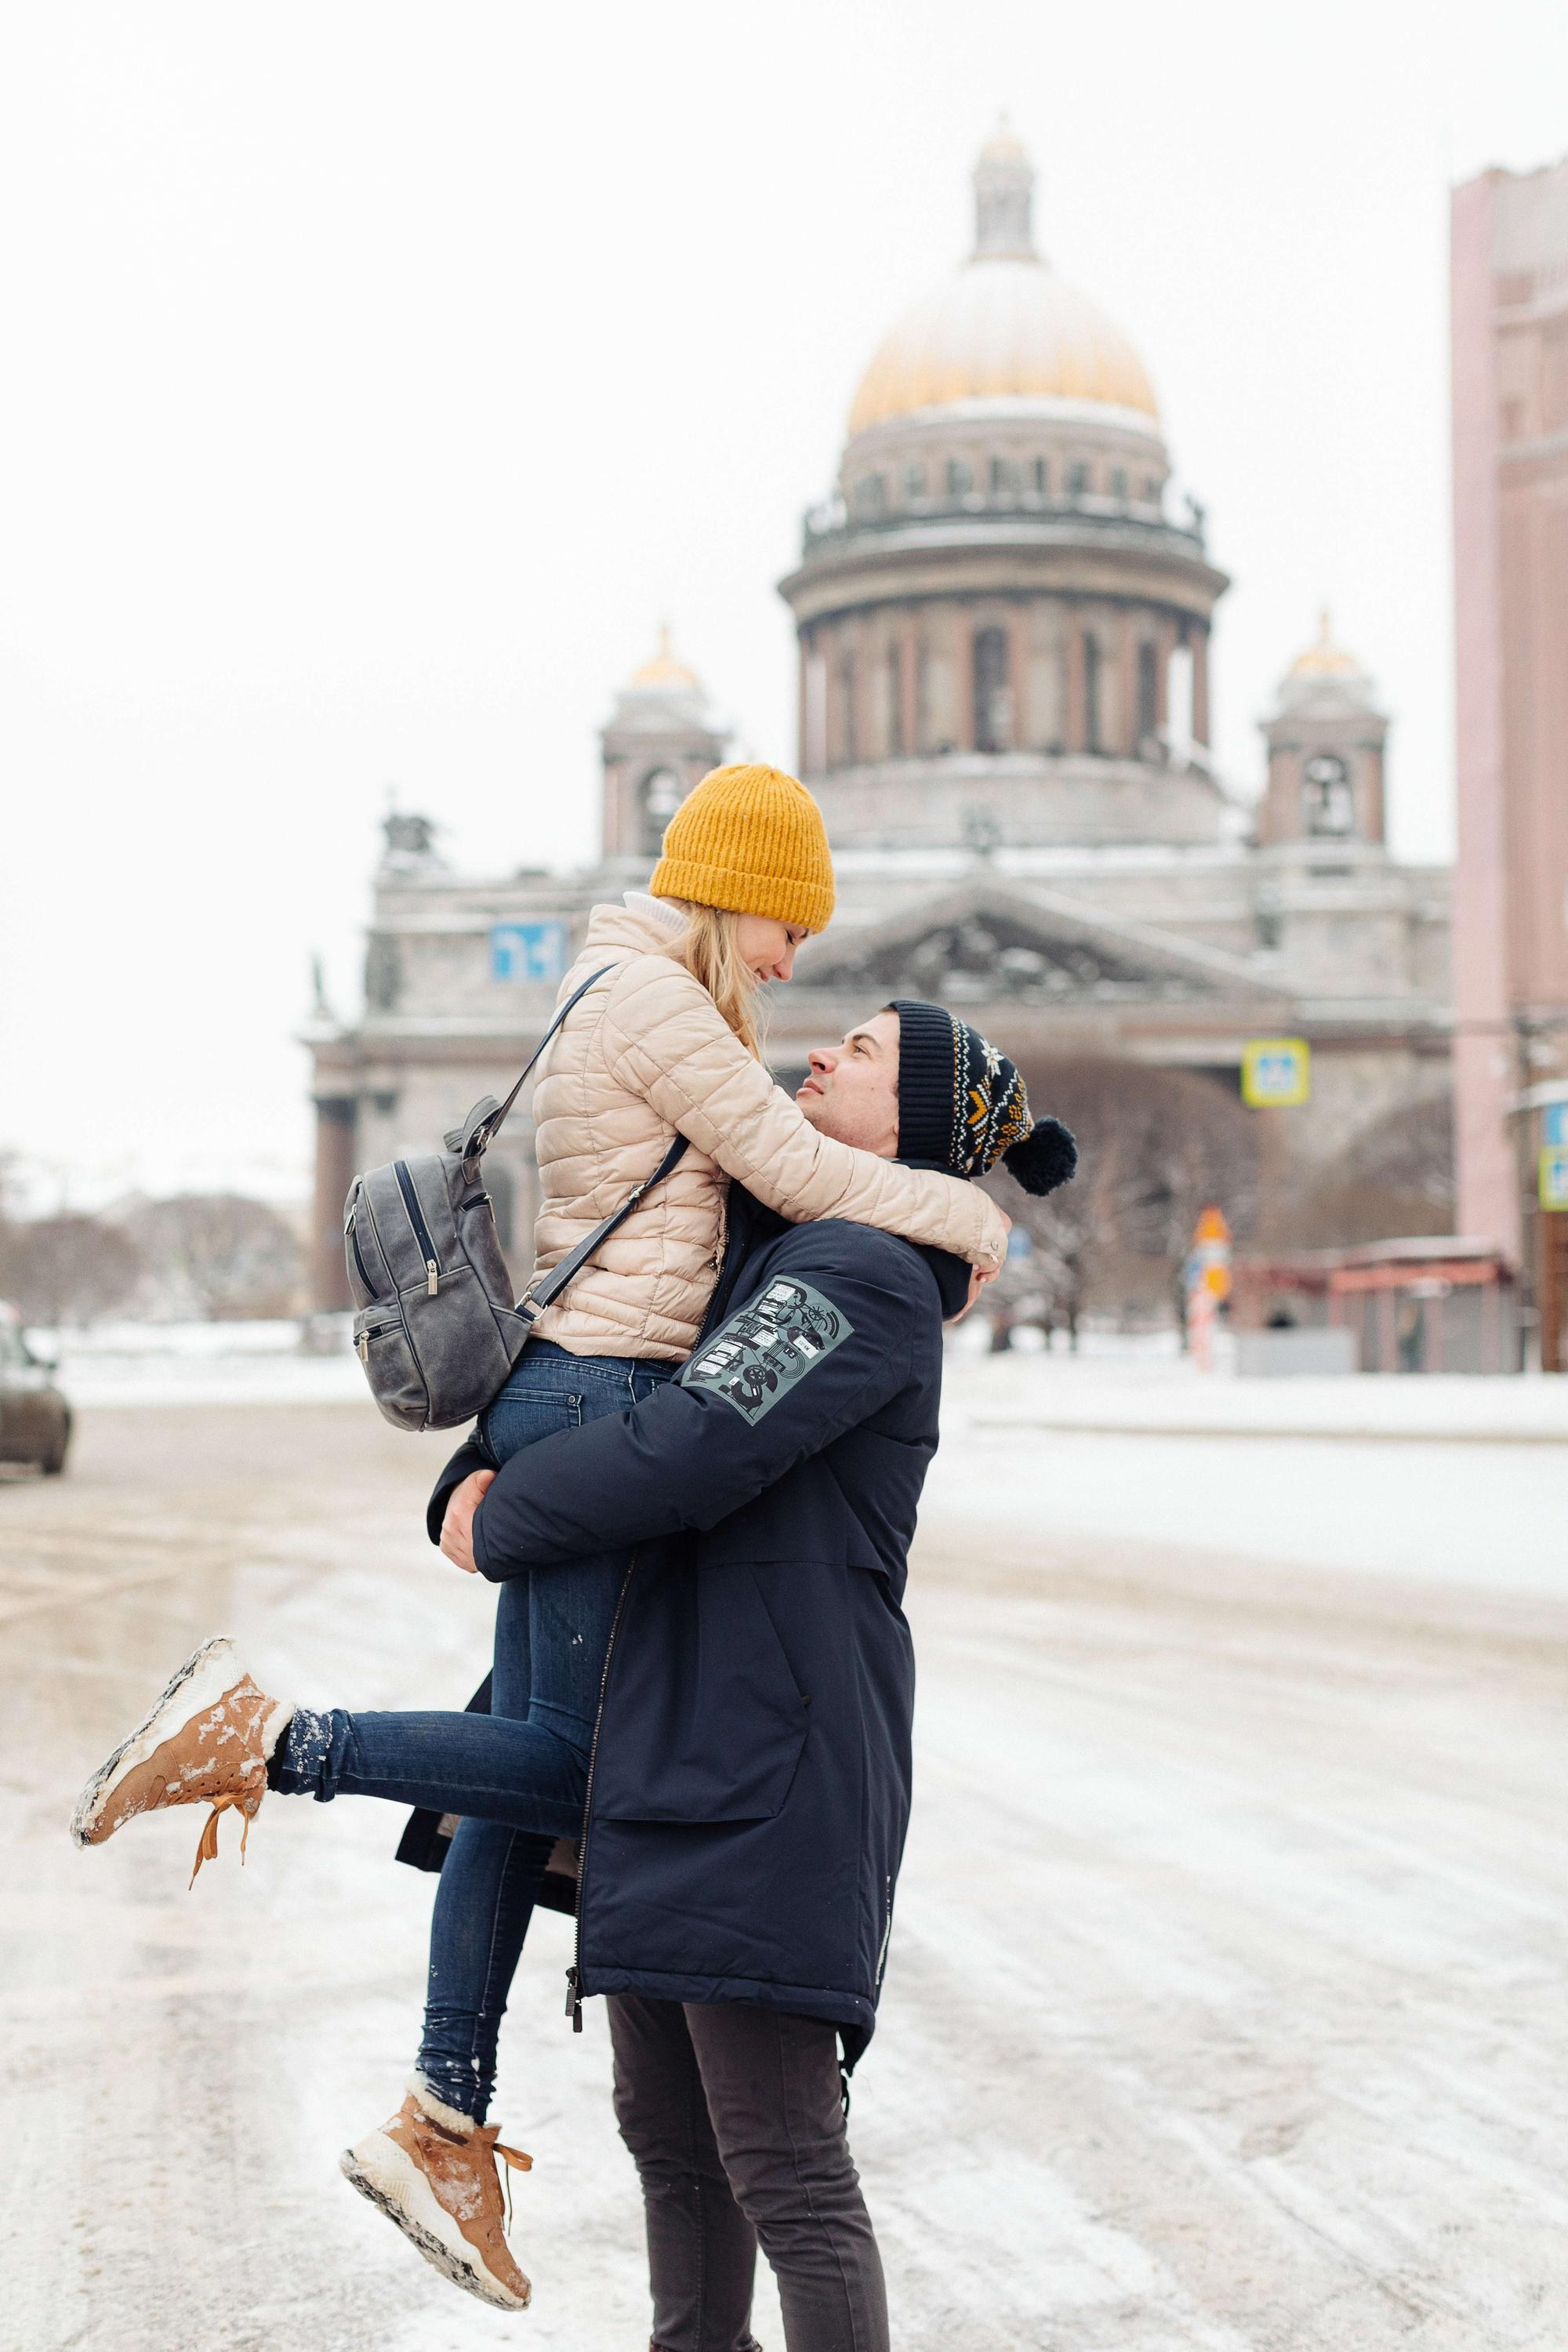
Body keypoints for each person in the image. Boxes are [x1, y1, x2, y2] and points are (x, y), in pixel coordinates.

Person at [67, 766, 1011, 2311]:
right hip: (595, 1409)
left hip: (570, 1401)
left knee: (544, 1765)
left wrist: (497, 1467)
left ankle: (445, 2105)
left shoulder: (651, 1031)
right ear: (732, 883)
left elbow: (712, 1323)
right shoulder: (661, 1008)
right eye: (788, 932)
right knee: (576, 1770)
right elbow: (777, 1204)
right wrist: (966, 1221)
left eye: (847, 1040)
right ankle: (273, 1748)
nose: (795, 987)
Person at [424, 998, 1077, 2351]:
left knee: (780, 2159)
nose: (820, 1055)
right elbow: (621, 1384)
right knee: (669, 2141)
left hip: (769, 1764)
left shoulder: (860, 1277)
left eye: (867, 1053)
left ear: (917, 1128)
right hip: (674, 1740)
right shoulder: (778, 1248)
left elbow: (697, 1445)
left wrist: (505, 1515)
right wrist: (477, 1463)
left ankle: (288, 1746)